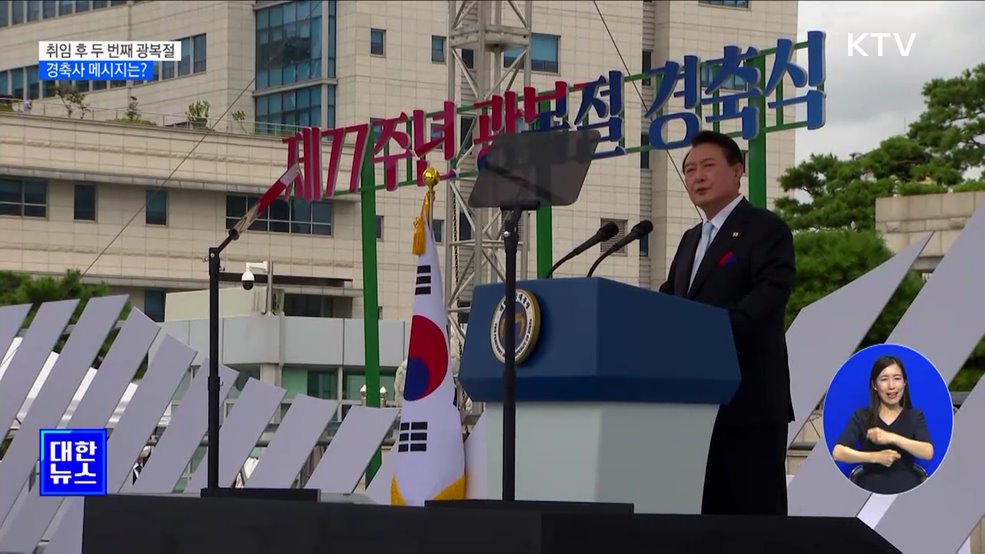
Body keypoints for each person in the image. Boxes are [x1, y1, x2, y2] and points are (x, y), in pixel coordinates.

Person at [658, 130, 796, 515]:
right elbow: (669, 303)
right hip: (694, 405)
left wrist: (703, 335)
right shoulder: (690, 240)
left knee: (752, 522)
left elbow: (768, 299)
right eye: (689, 170)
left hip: (748, 404)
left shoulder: (766, 229)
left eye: (708, 166)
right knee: (702, 519)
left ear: (738, 171)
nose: (697, 176)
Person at [832, 355, 934, 494]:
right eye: (884, 379)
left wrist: (891, 437)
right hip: (867, 492)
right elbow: (838, 453)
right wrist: (875, 457)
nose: (891, 386)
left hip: (908, 492)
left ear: (904, 382)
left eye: (897, 378)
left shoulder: (915, 416)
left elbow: (928, 452)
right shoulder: (861, 416)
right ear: (874, 385)